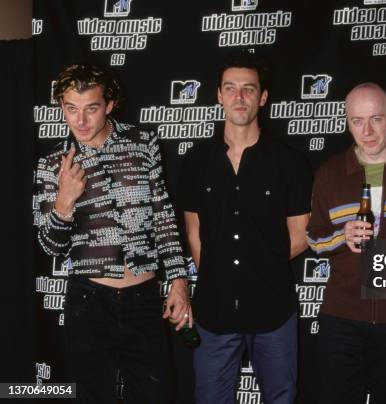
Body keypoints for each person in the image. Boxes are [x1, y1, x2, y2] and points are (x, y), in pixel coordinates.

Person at [33, 63, 191, 403]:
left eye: (91, 108)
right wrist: (63, 202)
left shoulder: (142, 142)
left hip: (144, 298)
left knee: (156, 394)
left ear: (110, 104)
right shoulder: (53, 163)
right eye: (70, 109)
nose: (80, 121)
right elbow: (50, 246)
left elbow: (163, 214)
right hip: (88, 300)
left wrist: (178, 281)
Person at [179, 51, 312, 404]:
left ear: (262, 97)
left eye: (248, 89)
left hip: (273, 310)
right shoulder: (196, 161)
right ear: (219, 95)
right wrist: (218, 274)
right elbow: (193, 231)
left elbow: (300, 235)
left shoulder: (291, 163)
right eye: (231, 88)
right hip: (214, 310)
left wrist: (257, 269)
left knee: (281, 397)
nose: (239, 97)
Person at [307, 82, 386, 404]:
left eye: (376, 119)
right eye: (357, 121)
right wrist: (340, 236)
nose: (367, 131)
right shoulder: (330, 173)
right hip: (342, 318)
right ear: (347, 122)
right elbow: (313, 237)